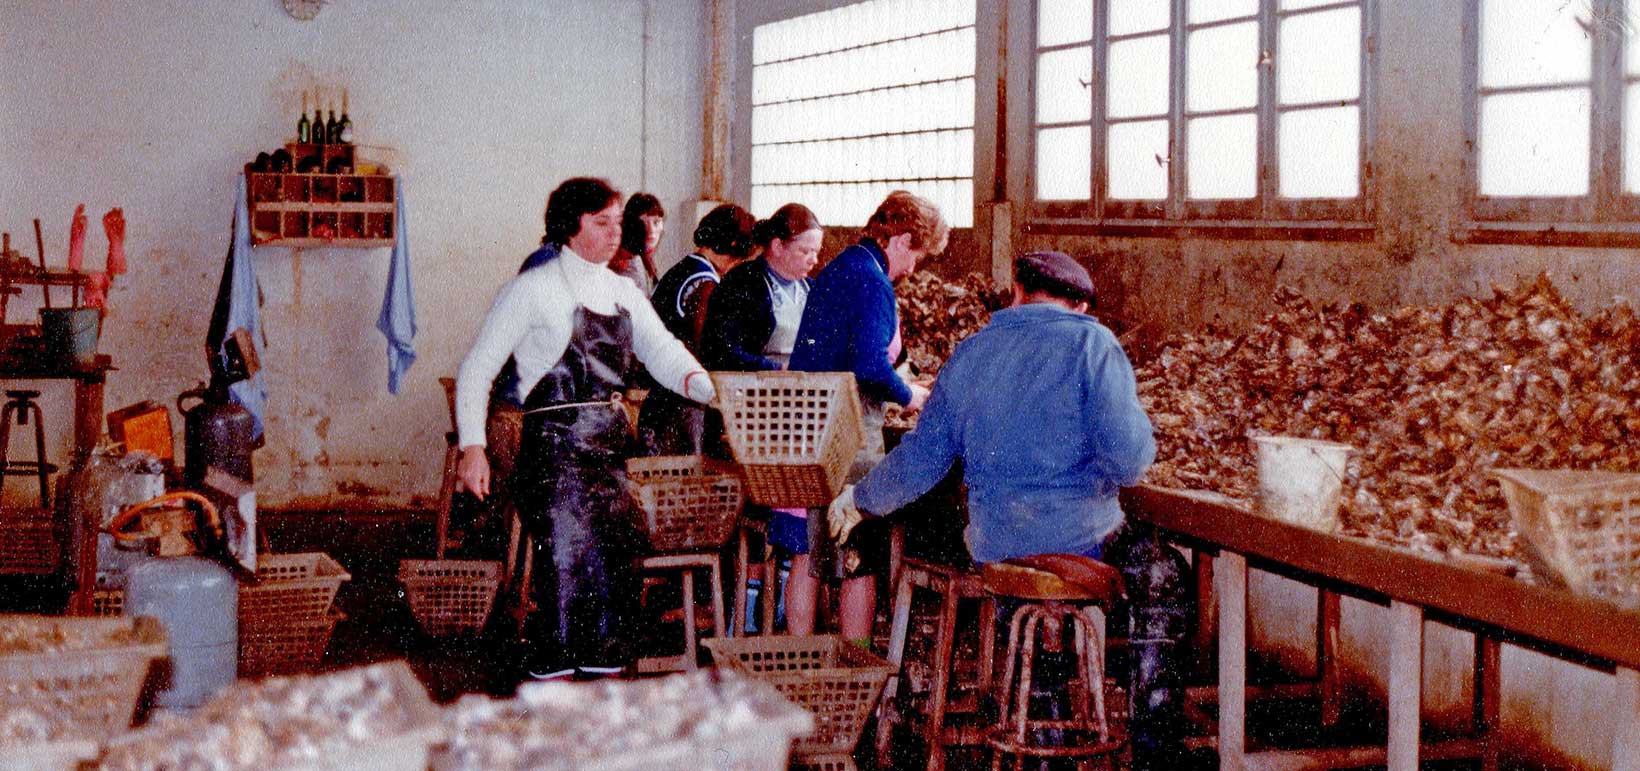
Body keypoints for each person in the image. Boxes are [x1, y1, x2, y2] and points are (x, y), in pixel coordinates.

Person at [826, 251, 1193, 770]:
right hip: (1080, 538)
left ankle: (1042, 741)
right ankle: (1157, 755)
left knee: (1033, 636)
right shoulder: (1094, 343)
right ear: (1081, 305)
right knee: (1164, 573)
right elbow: (1130, 462)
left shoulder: (972, 353)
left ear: (1016, 291)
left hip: (998, 550)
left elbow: (923, 459)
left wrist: (860, 500)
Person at [454, 177, 716, 680]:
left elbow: (663, 353)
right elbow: (477, 369)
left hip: (609, 458)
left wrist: (713, 391)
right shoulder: (532, 289)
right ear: (570, 228)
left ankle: (602, 697)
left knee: (616, 576)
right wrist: (473, 447)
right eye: (602, 223)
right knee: (566, 580)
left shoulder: (623, 291)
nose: (616, 233)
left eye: (619, 222)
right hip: (553, 460)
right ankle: (553, 700)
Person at [786, 190, 948, 642]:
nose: (913, 268)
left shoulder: (842, 266)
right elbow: (870, 365)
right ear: (900, 239)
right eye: (916, 254)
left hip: (811, 424)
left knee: (811, 548)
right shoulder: (872, 280)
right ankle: (855, 663)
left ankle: (803, 663)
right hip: (848, 432)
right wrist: (910, 395)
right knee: (861, 557)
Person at [699, 203, 822, 632]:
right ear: (776, 246)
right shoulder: (742, 284)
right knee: (777, 514)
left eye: (816, 253)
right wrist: (771, 371)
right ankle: (749, 622)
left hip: (796, 418)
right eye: (805, 251)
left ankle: (784, 613)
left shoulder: (808, 289)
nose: (813, 260)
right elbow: (719, 351)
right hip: (746, 421)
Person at [638, 202, 756, 455]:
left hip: (660, 397)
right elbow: (703, 347)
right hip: (678, 404)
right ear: (735, 248)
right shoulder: (705, 284)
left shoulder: (682, 269)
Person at [609, 193, 665, 295]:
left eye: (656, 222)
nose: (651, 230)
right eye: (643, 223)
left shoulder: (645, 260)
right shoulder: (630, 262)